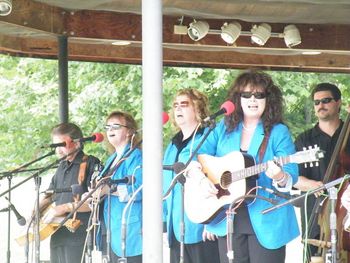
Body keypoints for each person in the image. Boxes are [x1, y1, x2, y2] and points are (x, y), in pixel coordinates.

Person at [188, 70, 299, 263]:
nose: (252, 99)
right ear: (237, 99)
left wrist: (279, 175)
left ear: (268, 99)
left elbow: (291, 174)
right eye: (246, 94)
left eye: (259, 95)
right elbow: (195, 157)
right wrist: (200, 179)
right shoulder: (222, 128)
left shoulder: (278, 132)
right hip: (226, 216)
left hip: (267, 218)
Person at [163, 88, 220, 263]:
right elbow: (166, 186)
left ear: (198, 108)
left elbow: (220, 179)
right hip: (177, 228)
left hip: (203, 227)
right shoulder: (172, 145)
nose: (178, 109)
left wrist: (214, 222)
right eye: (175, 105)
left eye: (184, 104)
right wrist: (165, 225)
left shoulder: (209, 137)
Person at [294, 83, 344, 258]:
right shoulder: (303, 140)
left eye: (326, 100)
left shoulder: (348, 134)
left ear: (339, 102)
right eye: (316, 102)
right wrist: (309, 184)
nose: (320, 106)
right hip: (314, 215)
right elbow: (293, 177)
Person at [38, 122, 101, 263]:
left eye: (61, 145)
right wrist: (36, 210)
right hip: (57, 233)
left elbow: (95, 201)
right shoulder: (61, 166)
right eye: (55, 146)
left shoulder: (90, 162)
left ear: (77, 143)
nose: (58, 150)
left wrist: (64, 207)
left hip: (78, 235)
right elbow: (50, 194)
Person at [94, 111, 143, 263]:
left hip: (131, 230)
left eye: (116, 126)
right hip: (110, 230)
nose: (110, 131)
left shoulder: (137, 156)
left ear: (129, 131)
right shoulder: (111, 159)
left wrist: (109, 190)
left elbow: (139, 190)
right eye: (108, 127)